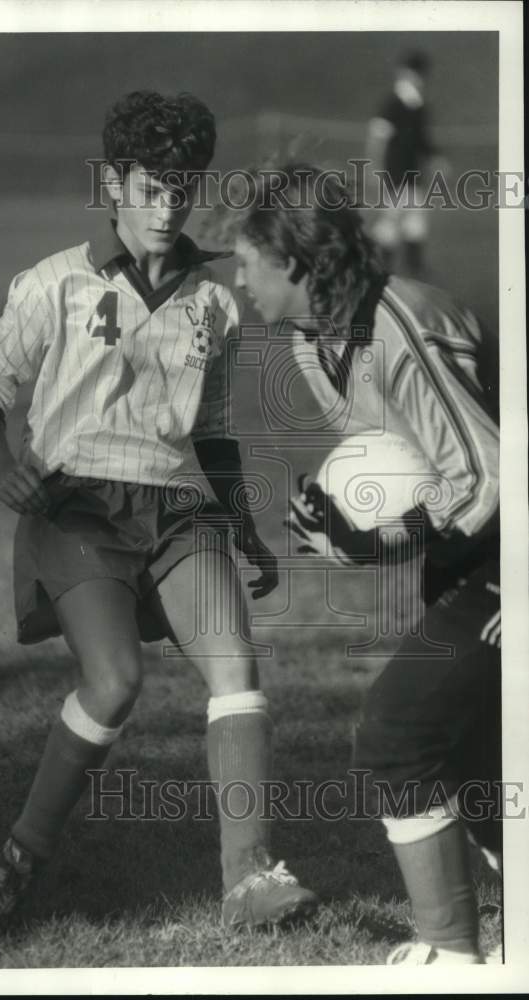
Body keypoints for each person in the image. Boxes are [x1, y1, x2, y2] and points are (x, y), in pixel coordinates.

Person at [0, 93, 319, 934]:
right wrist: (2, 467)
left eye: (181, 190)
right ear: (114, 184)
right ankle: (15, 863)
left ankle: (249, 878)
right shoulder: (55, 281)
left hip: (176, 508)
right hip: (74, 505)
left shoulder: (214, 301)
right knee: (114, 683)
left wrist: (244, 528)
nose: (166, 208)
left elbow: (213, 428)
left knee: (235, 666)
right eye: (150, 189)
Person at [229, 162, 501, 964]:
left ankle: (450, 955)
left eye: (247, 263)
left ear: (292, 262)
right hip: (467, 554)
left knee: (397, 736)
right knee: (469, 753)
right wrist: (345, 530)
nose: (238, 281)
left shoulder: (399, 325)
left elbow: (488, 477)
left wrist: (379, 537)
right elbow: (406, 474)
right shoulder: (311, 343)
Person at [367, 50, 448, 277]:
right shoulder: (392, 104)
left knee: (416, 220)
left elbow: (422, 140)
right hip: (394, 173)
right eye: (412, 73)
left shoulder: (419, 107)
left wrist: (436, 158)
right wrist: (374, 168)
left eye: (419, 74)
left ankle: (414, 269)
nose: (417, 79)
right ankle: (379, 267)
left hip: (413, 174)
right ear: (403, 74)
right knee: (391, 220)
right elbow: (377, 139)